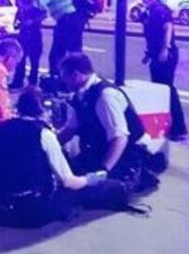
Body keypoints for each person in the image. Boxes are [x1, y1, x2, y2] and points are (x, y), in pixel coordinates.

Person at [0, 90, 125, 228]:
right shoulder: (43, 133)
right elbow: (69, 182)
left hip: (7, 204)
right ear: (44, 111)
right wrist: (93, 178)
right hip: (37, 209)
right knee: (92, 190)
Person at [58, 53, 153, 191]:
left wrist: (103, 171)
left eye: (65, 77)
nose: (64, 83)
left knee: (91, 191)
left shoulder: (105, 96)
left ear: (76, 74)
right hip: (100, 148)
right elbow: (70, 130)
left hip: (126, 154)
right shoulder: (79, 95)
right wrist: (49, 144)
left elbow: (120, 138)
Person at [140, 0, 187, 140]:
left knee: (166, 90)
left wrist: (165, 49)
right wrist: (148, 54)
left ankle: (179, 128)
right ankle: (168, 126)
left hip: (166, 54)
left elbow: (168, 28)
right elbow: (151, 35)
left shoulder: (160, 9)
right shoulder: (148, 11)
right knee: (160, 90)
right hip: (156, 54)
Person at [37, 0, 83, 77]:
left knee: (57, 54)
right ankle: (75, 77)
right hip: (74, 20)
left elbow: (38, 3)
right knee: (73, 52)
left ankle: (58, 79)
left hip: (66, 21)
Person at [11, 0, 47, 88]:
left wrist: (33, 21)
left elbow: (44, 14)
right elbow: (18, 11)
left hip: (34, 32)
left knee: (34, 60)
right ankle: (17, 82)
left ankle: (32, 83)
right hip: (23, 32)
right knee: (20, 58)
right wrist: (16, 21)